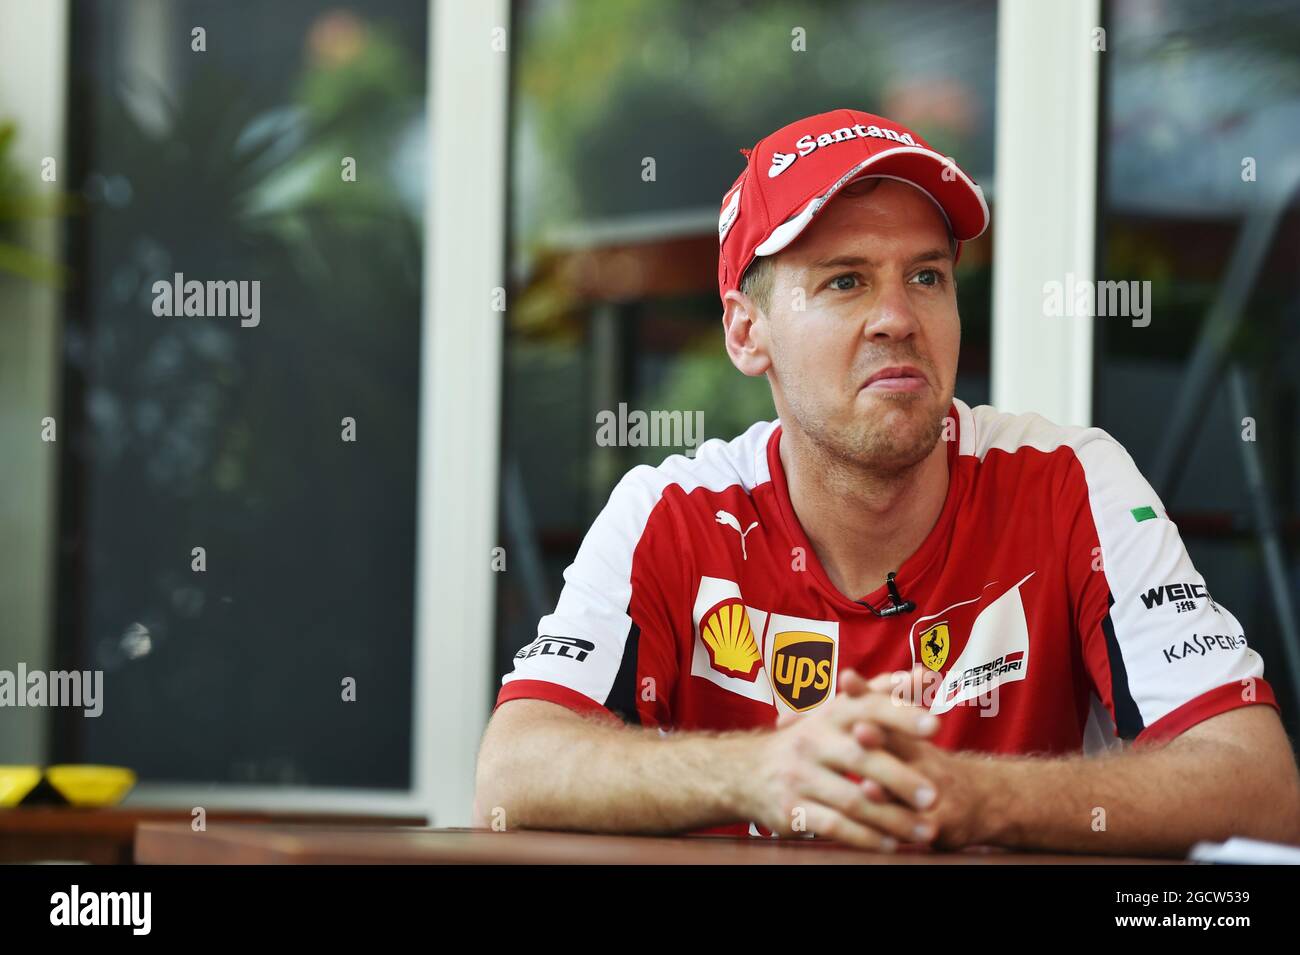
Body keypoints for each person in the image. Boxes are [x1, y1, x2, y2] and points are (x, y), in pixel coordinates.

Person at [475, 108, 1300, 854]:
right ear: (745, 330)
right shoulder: (673, 512)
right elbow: (512, 774)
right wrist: (763, 771)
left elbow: (1261, 786)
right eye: (846, 280)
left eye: (927, 276)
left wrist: (967, 793)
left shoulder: (1068, 479)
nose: (899, 316)